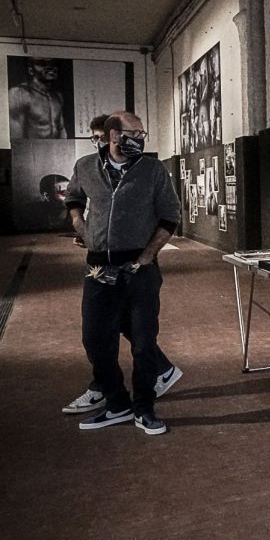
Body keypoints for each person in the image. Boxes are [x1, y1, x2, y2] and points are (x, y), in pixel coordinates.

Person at [64, 111, 181, 435]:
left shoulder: (153, 170)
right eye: (136, 133)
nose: (141, 139)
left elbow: (170, 215)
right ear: (114, 135)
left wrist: (147, 256)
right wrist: (81, 225)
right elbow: (73, 197)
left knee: (143, 343)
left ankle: (144, 409)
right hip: (98, 268)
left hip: (139, 269)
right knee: (95, 339)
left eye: (143, 134)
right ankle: (116, 403)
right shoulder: (86, 166)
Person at [8, 57, 68, 139]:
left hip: (56, 146)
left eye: (53, 64)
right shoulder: (19, 94)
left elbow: (61, 129)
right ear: (31, 70)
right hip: (31, 147)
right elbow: (16, 139)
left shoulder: (57, 96)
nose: (50, 67)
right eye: (42, 64)